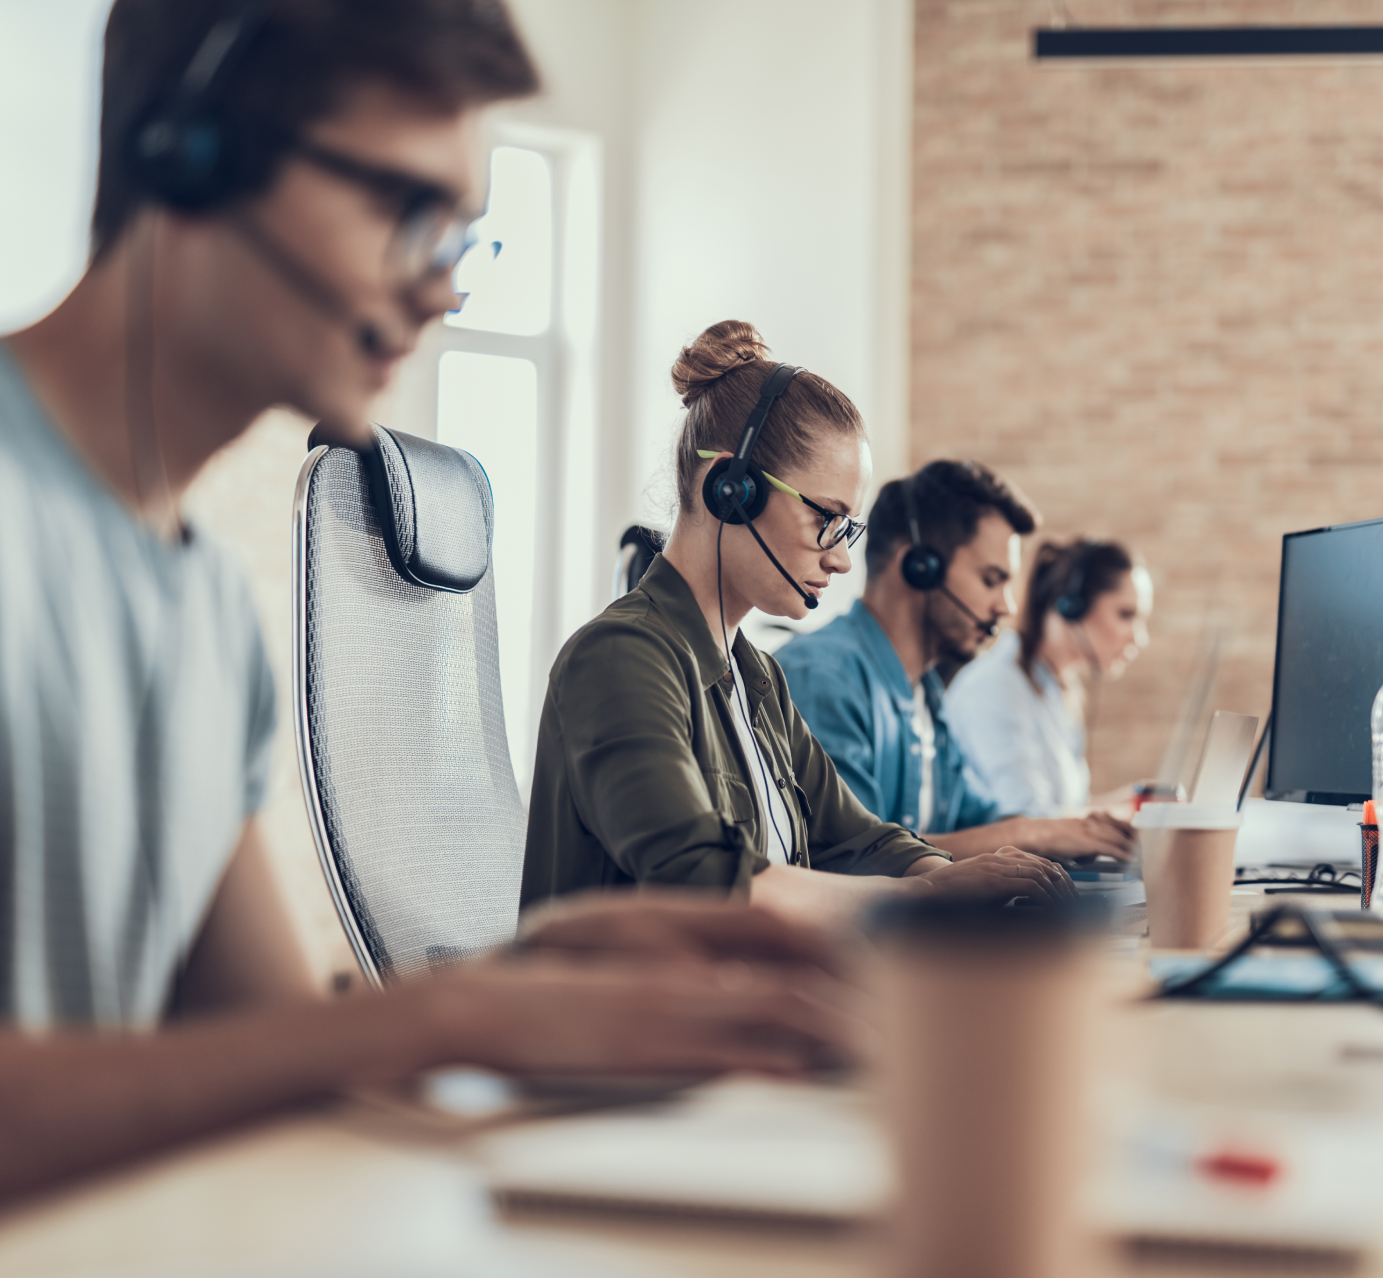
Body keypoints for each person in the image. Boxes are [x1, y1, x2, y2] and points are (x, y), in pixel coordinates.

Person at [0, 0, 856, 1204]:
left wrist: (541, 987)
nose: (442, 291)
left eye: (461, 237)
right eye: (406, 211)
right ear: (188, 150)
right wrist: (440, 1016)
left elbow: (275, 1065)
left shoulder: (201, 609)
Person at [520, 321, 1076, 921]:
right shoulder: (618, 658)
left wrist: (959, 879)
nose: (841, 559)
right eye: (825, 519)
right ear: (730, 490)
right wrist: (927, 895)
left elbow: (860, 839)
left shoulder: (757, 678)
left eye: (847, 529)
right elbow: (699, 878)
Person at [776, 462, 1136, 861]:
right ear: (919, 568)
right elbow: (855, 854)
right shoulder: (825, 678)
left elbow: (981, 818)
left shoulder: (928, 696)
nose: (1007, 606)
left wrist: (1075, 830)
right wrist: (1029, 834)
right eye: (991, 580)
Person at [943, 538, 1154, 817]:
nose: (1139, 638)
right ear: (1073, 605)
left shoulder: (1059, 689)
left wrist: (1135, 804)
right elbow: (1029, 820)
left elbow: (1065, 811)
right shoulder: (995, 687)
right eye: (1126, 615)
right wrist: (1127, 817)